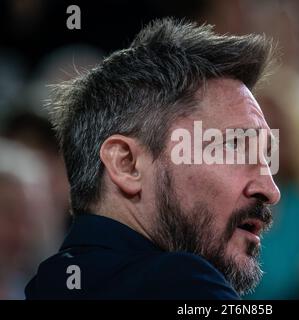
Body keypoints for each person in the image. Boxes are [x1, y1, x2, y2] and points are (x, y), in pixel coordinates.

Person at [25, 18, 280, 300]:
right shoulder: (179, 284)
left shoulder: (48, 284)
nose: (270, 190)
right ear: (127, 163)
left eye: (267, 158)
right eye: (235, 146)